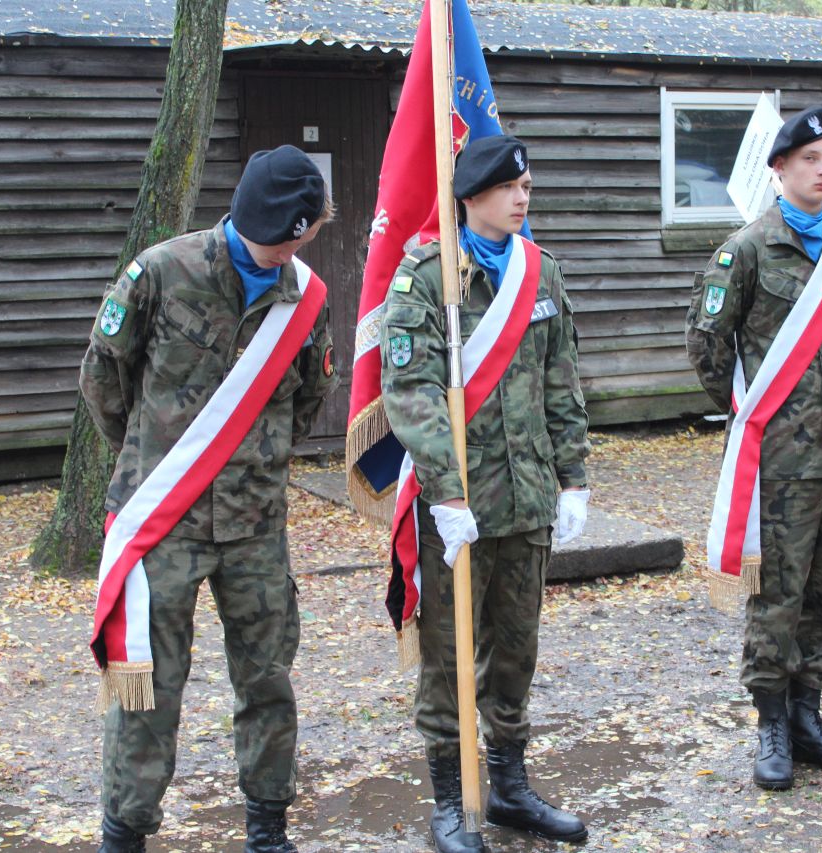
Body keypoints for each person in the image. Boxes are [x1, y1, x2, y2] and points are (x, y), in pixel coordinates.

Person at [79, 145, 338, 853]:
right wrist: (154, 458)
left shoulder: (306, 297)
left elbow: (310, 397)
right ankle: (125, 833)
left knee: (267, 681)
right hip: (164, 522)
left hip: (256, 527)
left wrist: (254, 463)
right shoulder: (162, 271)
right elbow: (104, 380)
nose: (287, 251)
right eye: (278, 239)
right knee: (147, 686)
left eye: (298, 239)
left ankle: (268, 830)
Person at [379, 134, 591, 853]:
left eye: (526, 186)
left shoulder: (541, 271)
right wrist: (444, 494)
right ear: (471, 196)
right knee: (448, 659)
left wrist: (573, 477)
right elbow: (411, 394)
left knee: (515, 652)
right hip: (458, 508)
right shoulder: (428, 276)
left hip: (526, 500)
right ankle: (450, 798)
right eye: (508, 187)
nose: (522, 198)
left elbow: (561, 380)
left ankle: (509, 786)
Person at [686, 107, 822, 791]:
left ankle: (808, 715)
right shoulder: (746, 250)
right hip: (780, 458)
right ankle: (770, 721)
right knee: (778, 592)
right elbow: (708, 346)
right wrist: (755, 416)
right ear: (780, 167)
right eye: (810, 160)